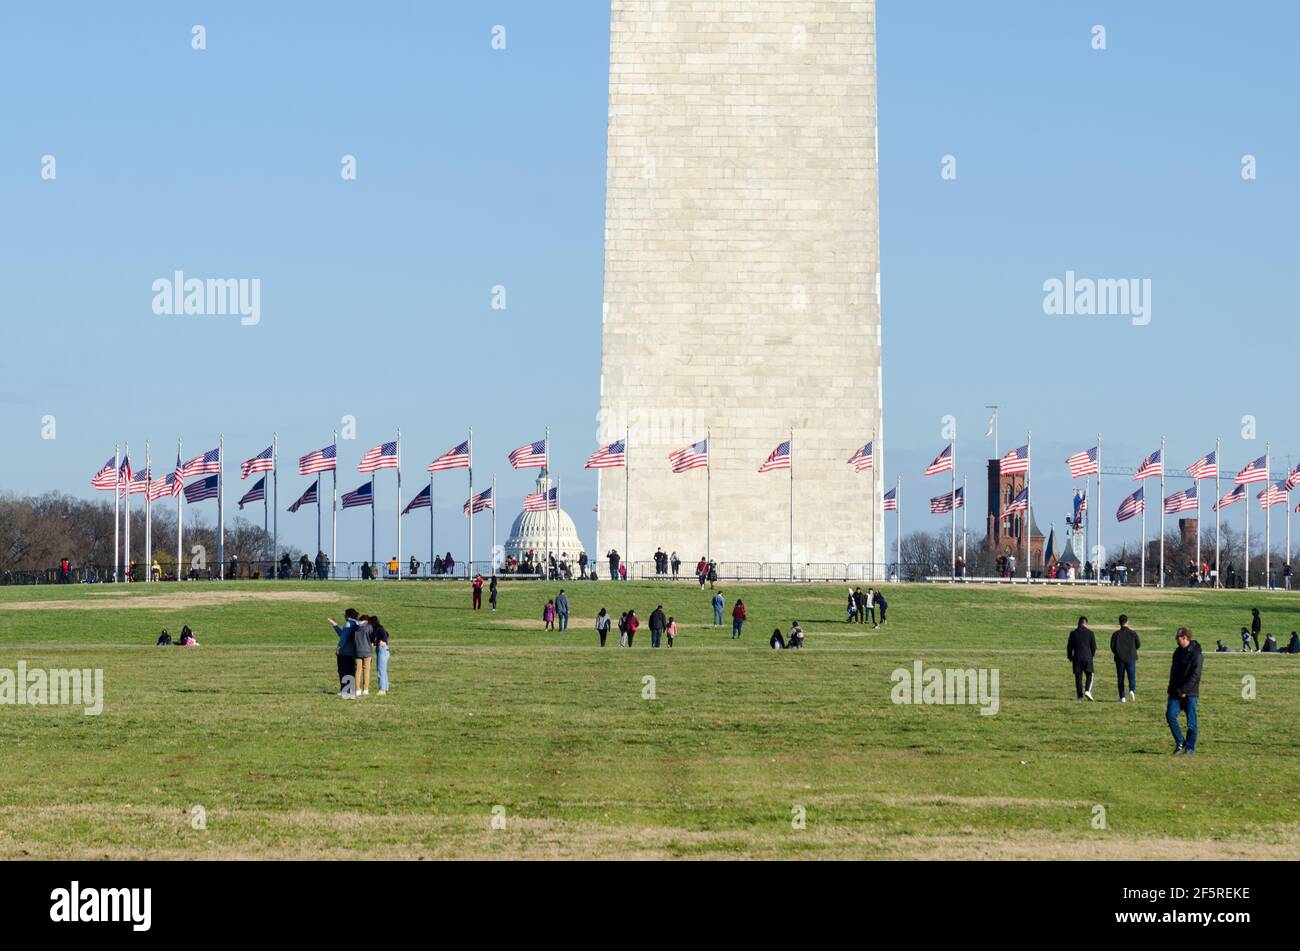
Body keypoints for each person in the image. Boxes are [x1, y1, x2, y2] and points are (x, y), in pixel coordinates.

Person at [1166, 627, 1203, 755]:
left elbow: (1195, 675)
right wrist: (1171, 689)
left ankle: (1190, 747)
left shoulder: (1196, 654)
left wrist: (1185, 690)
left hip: (1190, 693)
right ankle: (1180, 741)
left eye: (1178, 638)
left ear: (1185, 637)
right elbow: (1173, 673)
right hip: (1175, 692)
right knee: (1170, 715)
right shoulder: (1177, 653)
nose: (1176, 640)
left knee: (1191, 723)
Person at [328, 609, 360, 697]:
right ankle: (350, 690)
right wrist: (335, 625)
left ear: (348, 615)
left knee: (343, 671)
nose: (344, 616)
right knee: (351, 671)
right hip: (353, 652)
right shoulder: (356, 623)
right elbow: (343, 634)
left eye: (345, 614)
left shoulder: (348, 623)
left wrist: (338, 648)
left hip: (345, 652)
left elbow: (343, 637)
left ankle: (344, 690)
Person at [1110, 614, 1140, 702]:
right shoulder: (1133, 633)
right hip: (1131, 657)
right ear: (1127, 621)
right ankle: (1131, 690)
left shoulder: (1116, 634)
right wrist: (1132, 650)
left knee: (1120, 677)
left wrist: (1117, 653)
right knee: (1131, 676)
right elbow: (1138, 644)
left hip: (1120, 658)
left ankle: (1122, 697)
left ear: (1119, 623)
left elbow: (1112, 647)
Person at [1067, 616, 1097, 701]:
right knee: (1090, 674)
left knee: (1078, 677)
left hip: (1077, 658)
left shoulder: (1073, 633)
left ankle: (1079, 697)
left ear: (1078, 623)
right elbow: (1094, 647)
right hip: (1087, 657)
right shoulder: (1090, 633)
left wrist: (1070, 657)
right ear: (1086, 624)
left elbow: (1069, 647)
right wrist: (1091, 656)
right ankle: (1087, 690)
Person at [352, 613, 374, 696]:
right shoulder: (369, 627)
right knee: (366, 671)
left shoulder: (355, 627)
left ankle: (357, 689)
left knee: (358, 671)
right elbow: (372, 639)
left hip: (357, 651)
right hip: (367, 651)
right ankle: (366, 689)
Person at [370, 614, 390, 695]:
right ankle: (385, 688)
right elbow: (387, 634)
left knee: (380, 670)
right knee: (383, 670)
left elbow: (384, 636)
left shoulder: (379, 628)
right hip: (383, 649)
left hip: (382, 649)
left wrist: (381, 641)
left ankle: (382, 689)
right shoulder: (379, 628)